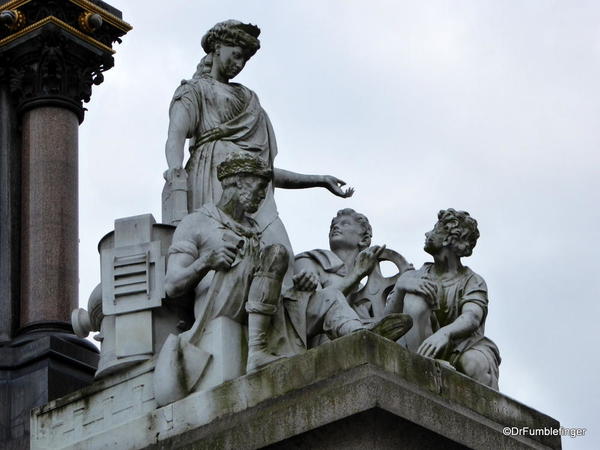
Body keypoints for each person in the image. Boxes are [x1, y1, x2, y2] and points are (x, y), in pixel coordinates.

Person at [165, 153, 411, 384]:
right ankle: (257, 353)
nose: (263, 196)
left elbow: (269, 285)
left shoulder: (255, 228)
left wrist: (300, 286)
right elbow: (172, 284)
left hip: (264, 308)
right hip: (220, 304)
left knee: (329, 296)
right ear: (237, 182)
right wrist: (205, 261)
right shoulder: (197, 222)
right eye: (259, 187)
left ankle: (360, 335)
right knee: (276, 253)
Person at [163, 20, 353, 262]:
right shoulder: (195, 90)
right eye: (236, 55)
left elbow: (264, 171)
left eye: (244, 60)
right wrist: (174, 172)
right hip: (212, 177)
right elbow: (175, 136)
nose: (239, 64)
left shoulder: (249, 99)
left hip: (254, 189)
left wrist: (319, 180)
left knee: (280, 253)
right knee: (228, 256)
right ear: (218, 47)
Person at [385, 209, 501, 389]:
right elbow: (386, 322)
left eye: (434, 229)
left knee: (475, 363)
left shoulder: (472, 281)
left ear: (448, 238)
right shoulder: (415, 276)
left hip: (464, 346)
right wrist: (400, 287)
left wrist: (444, 334)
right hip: (420, 349)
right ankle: (424, 368)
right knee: (415, 299)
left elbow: (472, 317)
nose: (427, 233)